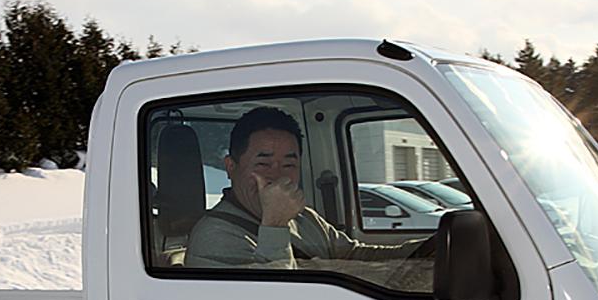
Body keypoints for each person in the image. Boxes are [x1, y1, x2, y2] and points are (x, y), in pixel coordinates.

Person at [185, 106, 432, 269]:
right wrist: (274, 225)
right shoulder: (214, 237)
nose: (277, 177)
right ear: (231, 166)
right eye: (263, 163)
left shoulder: (304, 218)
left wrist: (425, 251)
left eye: (289, 164)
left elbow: (349, 255)